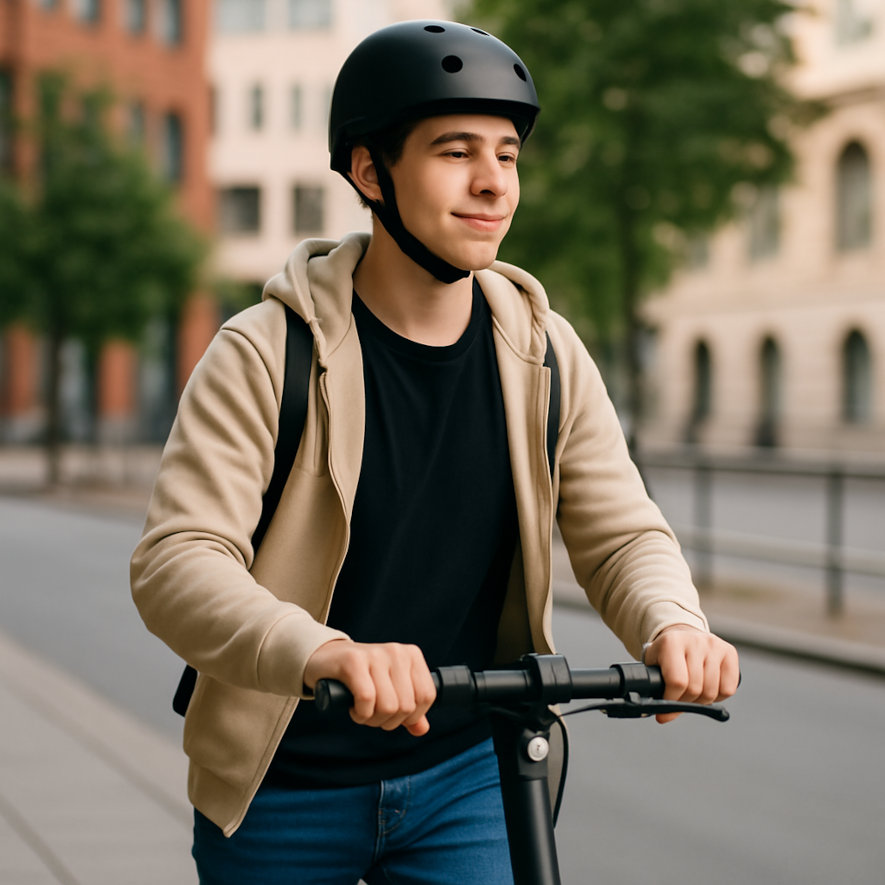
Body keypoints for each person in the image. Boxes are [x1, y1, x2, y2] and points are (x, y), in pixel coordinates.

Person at [131, 19, 739, 885]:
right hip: (285, 784)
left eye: (507, 156)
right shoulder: (265, 351)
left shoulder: (544, 352)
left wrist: (672, 622)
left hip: (468, 775)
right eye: (456, 152)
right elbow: (178, 561)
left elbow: (620, 533)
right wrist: (325, 652)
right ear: (369, 171)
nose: (493, 182)